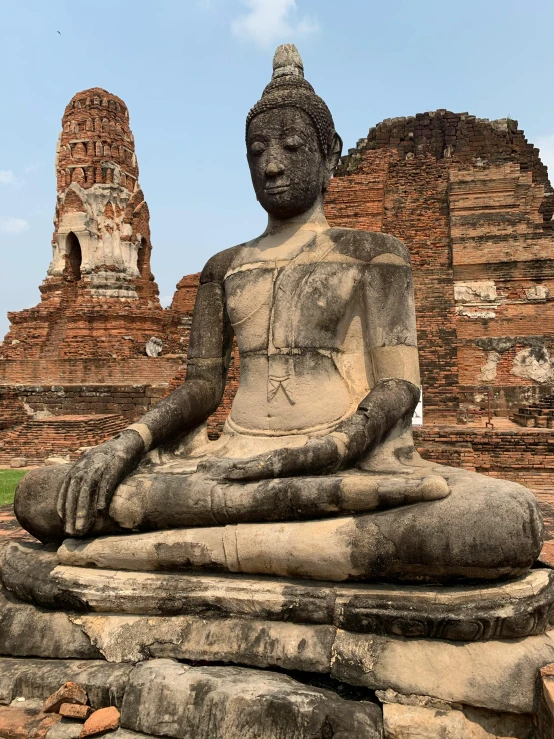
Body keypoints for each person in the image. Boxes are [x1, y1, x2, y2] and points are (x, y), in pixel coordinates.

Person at [16, 45, 543, 583]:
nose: (272, 165)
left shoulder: (373, 253)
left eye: (292, 146)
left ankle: (174, 550)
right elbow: (201, 387)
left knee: (497, 520)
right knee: (42, 496)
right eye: (256, 151)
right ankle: (296, 547)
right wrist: (126, 443)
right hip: (230, 465)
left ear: (330, 153)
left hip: (335, 462)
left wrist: (330, 448)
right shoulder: (223, 267)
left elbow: (400, 387)